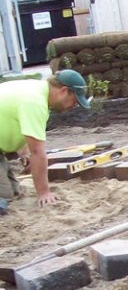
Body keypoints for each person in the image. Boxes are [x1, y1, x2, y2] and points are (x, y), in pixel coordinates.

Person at [0, 69, 91, 212]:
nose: (73, 106)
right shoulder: (35, 101)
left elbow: (20, 124)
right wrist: (43, 192)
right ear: (63, 90)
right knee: (3, 198)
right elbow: (37, 152)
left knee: (12, 191)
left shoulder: (39, 93)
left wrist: (23, 152)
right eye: (74, 100)